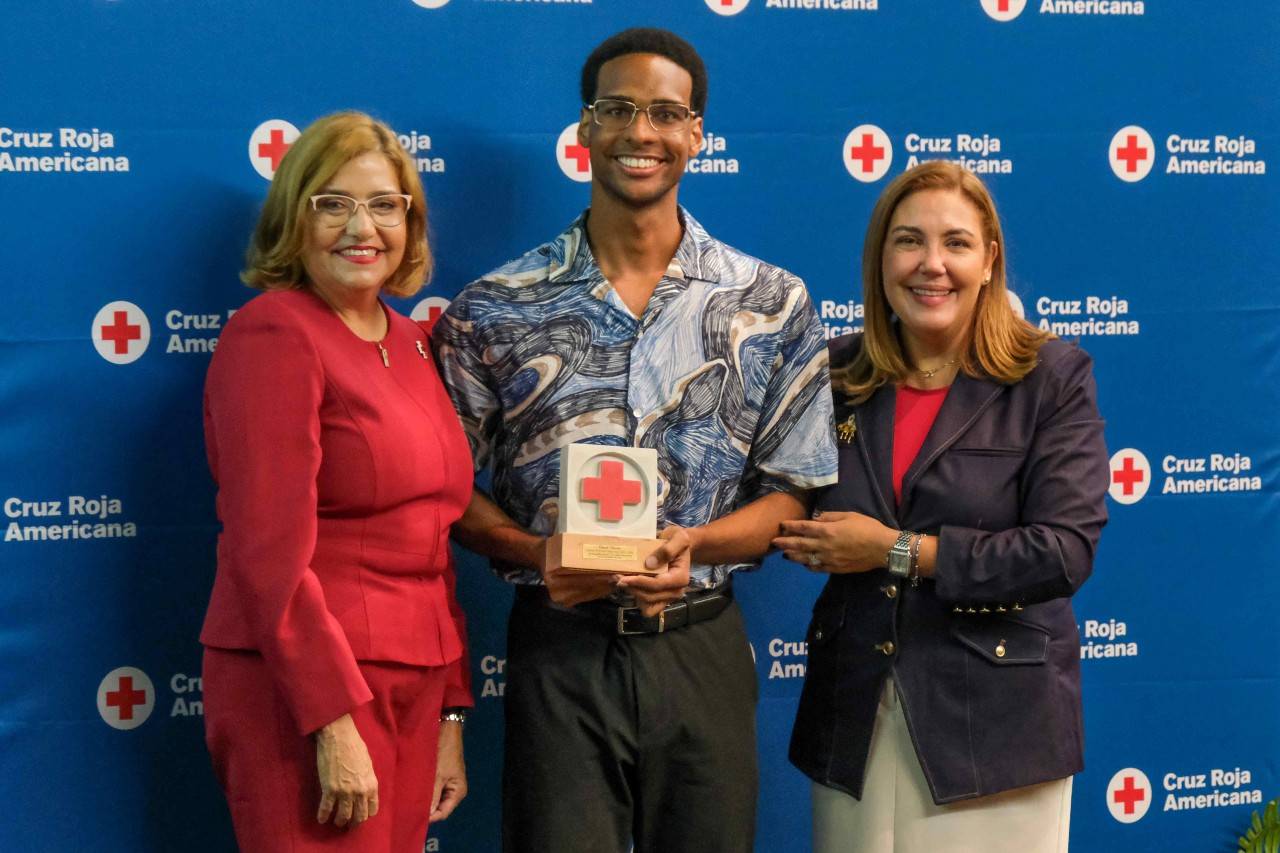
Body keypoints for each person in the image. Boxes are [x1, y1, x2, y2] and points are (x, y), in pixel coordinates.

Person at [432, 28, 837, 853]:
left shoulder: (770, 301)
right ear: (583, 128)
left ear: (697, 134)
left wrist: (697, 543)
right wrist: (535, 550)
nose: (640, 132)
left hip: (701, 643)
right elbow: (442, 491)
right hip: (558, 652)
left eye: (665, 113)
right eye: (617, 109)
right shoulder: (494, 307)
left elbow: (793, 491)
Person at [777, 160, 1108, 853]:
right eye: (909, 241)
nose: (932, 264)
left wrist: (894, 551)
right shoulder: (834, 375)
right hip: (855, 717)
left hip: (998, 730)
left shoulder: (1050, 377)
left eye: (956, 242)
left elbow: (1063, 550)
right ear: (880, 259)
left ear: (989, 260)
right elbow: (770, 499)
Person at [200, 111, 473, 853]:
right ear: (296, 213)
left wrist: (450, 713)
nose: (363, 226)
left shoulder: (412, 340)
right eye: (333, 202)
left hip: (413, 684)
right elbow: (267, 554)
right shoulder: (274, 333)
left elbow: (431, 539)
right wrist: (330, 718)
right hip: (302, 690)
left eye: (385, 204)